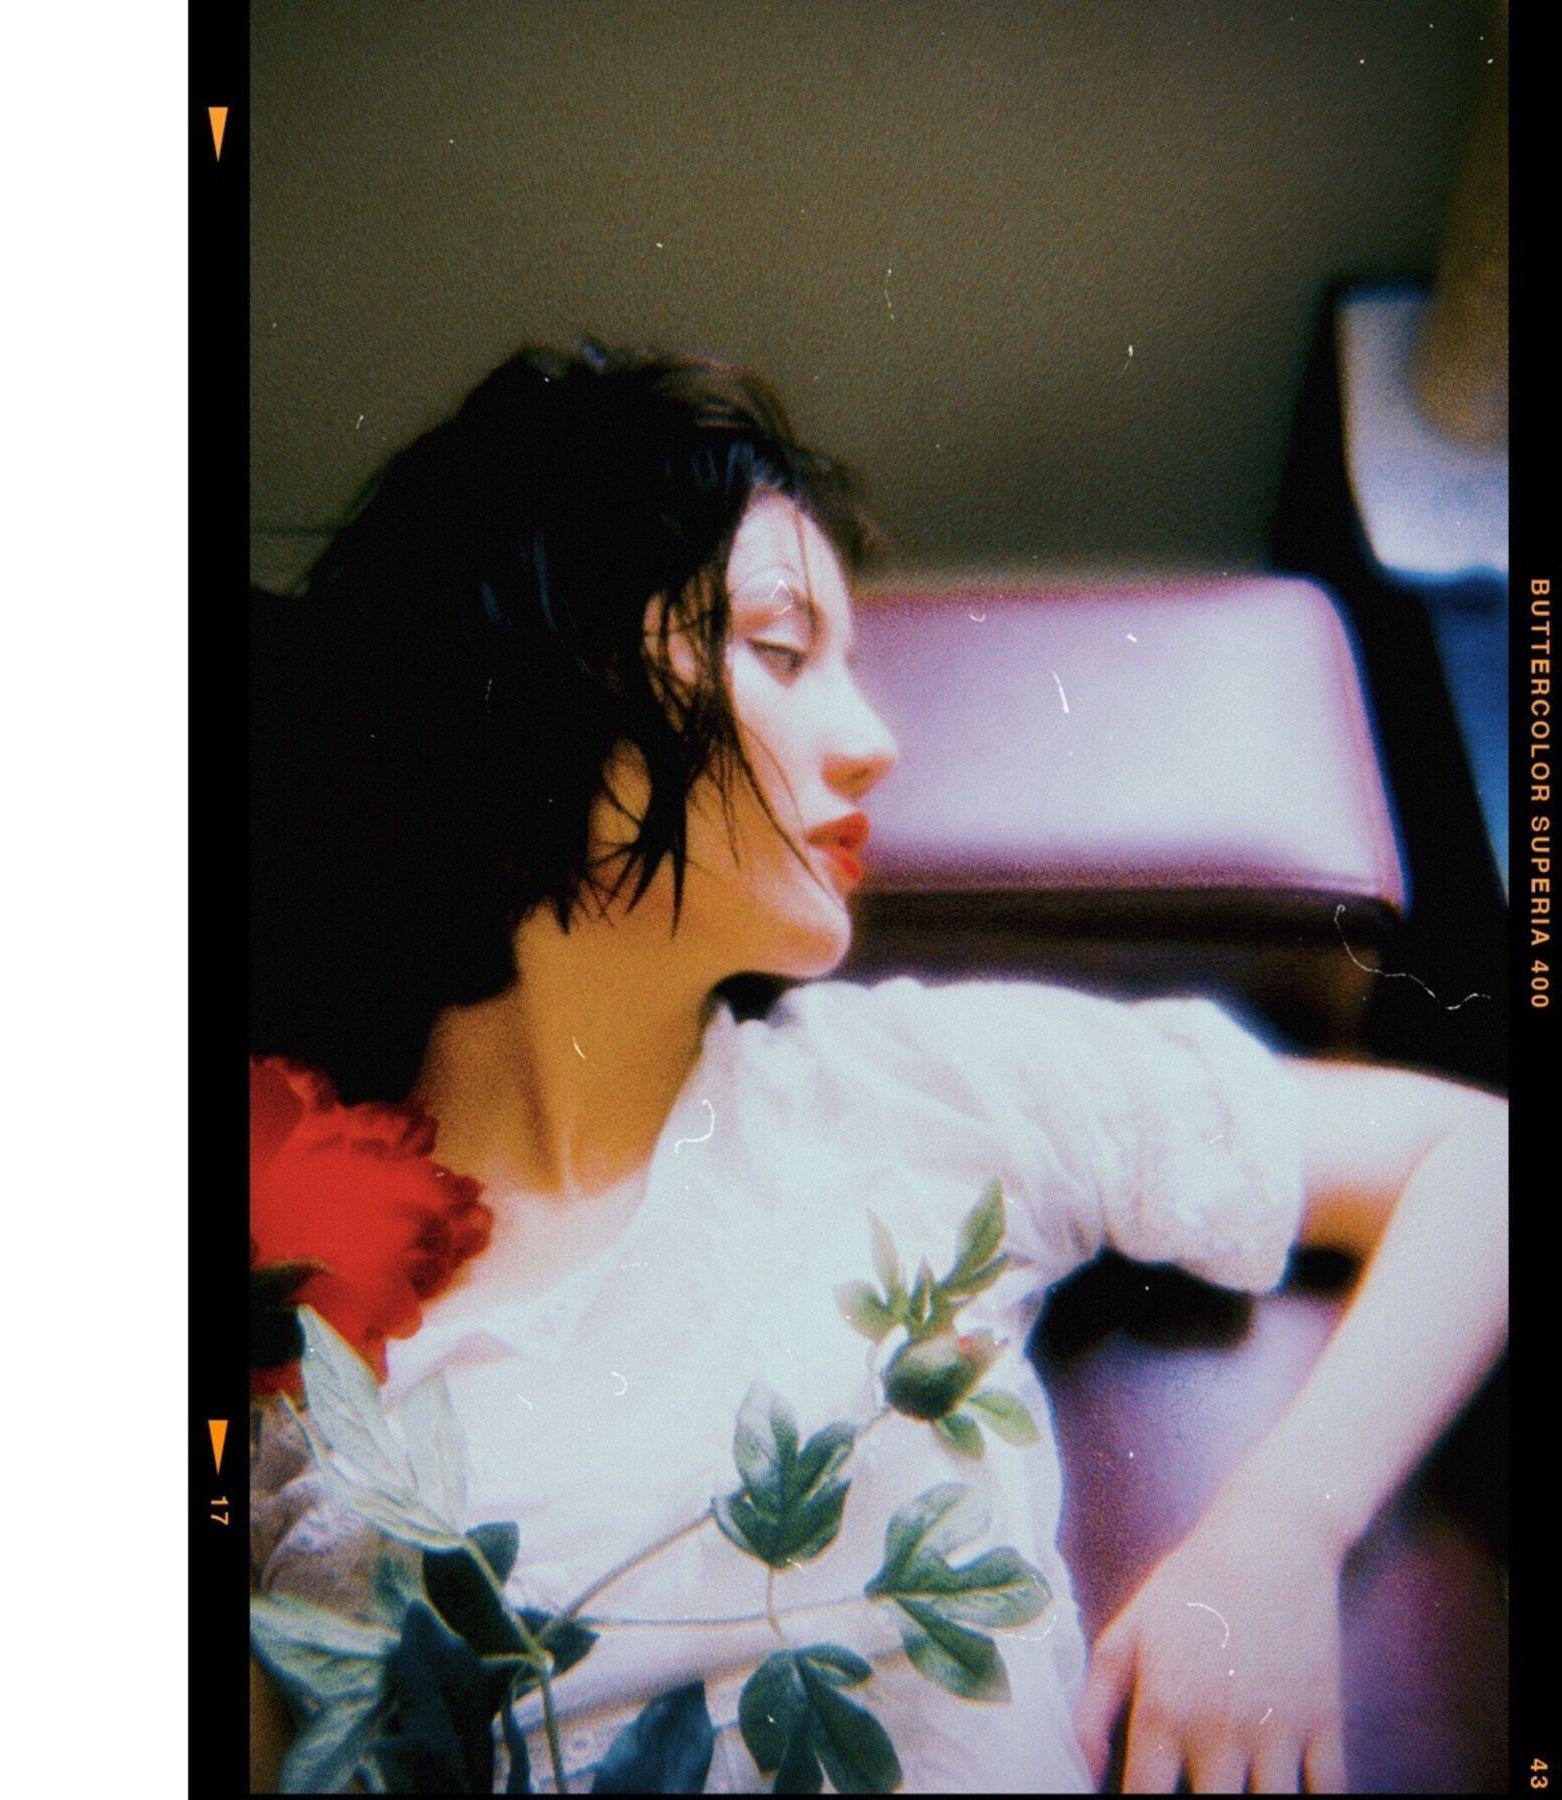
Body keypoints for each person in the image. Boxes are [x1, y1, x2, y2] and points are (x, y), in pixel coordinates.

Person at [247, 341, 1507, 1794]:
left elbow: (1476, 1159)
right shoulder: (280, 1311)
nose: (873, 743)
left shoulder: (916, 1088)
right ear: (540, 677)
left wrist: (1279, 1538)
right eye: (783, 651)